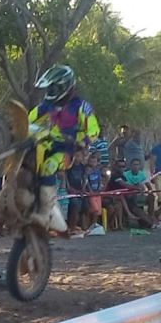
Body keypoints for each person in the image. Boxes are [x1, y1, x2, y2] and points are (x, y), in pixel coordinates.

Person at [28, 64, 99, 231]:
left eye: (54, 87)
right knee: (26, 149)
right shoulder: (48, 104)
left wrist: (83, 140)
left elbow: (94, 130)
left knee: (49, 166)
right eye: (50, 87)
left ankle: (48, 211)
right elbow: (31, 118)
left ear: (65, 86)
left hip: (67, 149)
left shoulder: (81, 106)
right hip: (48, 141)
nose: (51, 90)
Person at [123, 157, 157, 228]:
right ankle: (149, 222)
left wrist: (149, 192)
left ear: (139, 166)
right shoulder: (125, 174)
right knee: (138, 210)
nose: (136, 166)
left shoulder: (142, 174)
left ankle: (151, 215)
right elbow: (126, 187)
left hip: (140, 195)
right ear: (131, 166)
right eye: (134, 164)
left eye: (137, 164)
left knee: (151, 197)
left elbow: (149, 187)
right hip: (130, 197)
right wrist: (137, 187)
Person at [66, 148, 87, 234]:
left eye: (79, 156)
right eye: (75, 156)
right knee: (75, 205)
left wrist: (82, 190)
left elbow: (84, 179)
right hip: (71, 192)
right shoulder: (69, 167)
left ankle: (83, 226)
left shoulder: (82, 167)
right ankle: (72, 227)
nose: (77, 157)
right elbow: (67, 180)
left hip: (80, 191)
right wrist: (72, 190)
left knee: (86, 206)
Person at [84, 152, 104, 232]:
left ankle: (94, 224)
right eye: (91, 161)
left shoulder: (98, 170)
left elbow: (100, 180)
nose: (93, 163)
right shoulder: (87, 170)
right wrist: (90, 190)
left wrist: (99, 188)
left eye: (94, 161)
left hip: (97, 192)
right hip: (91, 192)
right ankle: (91, 224)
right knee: (94, 209)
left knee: (98, 211)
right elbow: (87, 181)